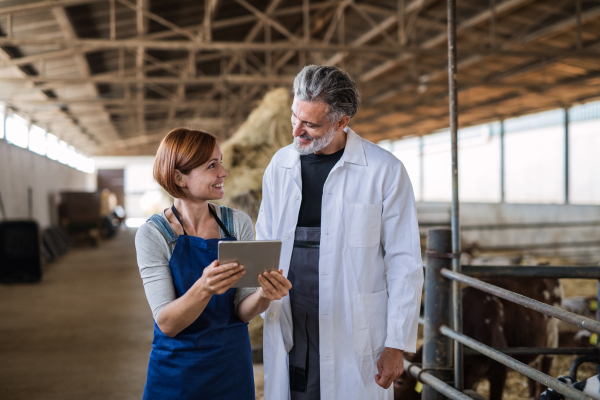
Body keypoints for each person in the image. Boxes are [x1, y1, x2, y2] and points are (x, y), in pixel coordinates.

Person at [256, 65, 423, 400]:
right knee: (294, 388)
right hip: (292, 312)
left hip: (354, 324)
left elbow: (405, 261)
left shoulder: (383, 171)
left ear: (341, 122)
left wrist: (396, 343)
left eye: (310, 124)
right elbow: (266, 240)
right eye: (294, 117)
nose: (296, 132)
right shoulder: (280, 165)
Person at [135, 128, 291, 400]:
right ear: (178, 177)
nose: (223, 172)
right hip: (177, 372)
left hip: (231, 367)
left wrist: (264, 296)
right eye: (211, 165)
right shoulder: (154, 234)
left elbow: (242, 311)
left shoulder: (236, 223)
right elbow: (167, 323)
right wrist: (204, 288)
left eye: (220, 161)